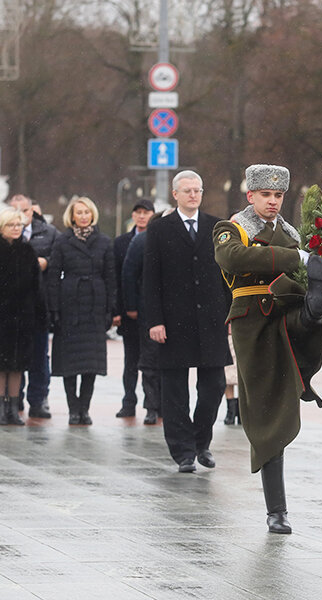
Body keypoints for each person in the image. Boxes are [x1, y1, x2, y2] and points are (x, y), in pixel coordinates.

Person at [213, 164, 322, 533]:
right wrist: (296, 258)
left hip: (287, 317)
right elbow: (234, 259)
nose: (273, 201)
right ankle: (276, 510)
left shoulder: (290, 234)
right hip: (252, 323)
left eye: (278, 195)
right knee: (264, 410)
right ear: (251, 195)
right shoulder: (232, 228)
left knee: (282, 402)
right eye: (265, 194)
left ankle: (278, 509)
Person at [142, 170, 231, 473]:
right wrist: (155, 320)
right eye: (187, 190)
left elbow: (227, 275)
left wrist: (229, 312)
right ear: (175, 195)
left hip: (211, 320)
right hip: (174, 321)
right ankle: (182, 451)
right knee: (175, 390)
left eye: (197, 190)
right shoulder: (159, 229)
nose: (193, 195)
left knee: (214, 386)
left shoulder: (216, 227)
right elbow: (151, 278)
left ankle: (201, 442)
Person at [46, 197, 115, 425]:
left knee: (90, 363)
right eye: (79, 212)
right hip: (70, 305)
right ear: (72, 216)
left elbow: (111, 277)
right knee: (70, 363)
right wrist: (54, 309)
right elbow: (53, 276)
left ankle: (84, 408)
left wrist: (110, 309)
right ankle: (73, 409)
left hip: (95, 305)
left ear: (92, 214)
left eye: (87, 212)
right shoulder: (62, 241)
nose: (83, 216)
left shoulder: (104, 242)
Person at [0, 209, 43, 425]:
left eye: (19, 225)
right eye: (11, 225)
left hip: (23, 319)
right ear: (1, 228)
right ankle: (0, 408)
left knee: (17, 366)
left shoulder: (27, 251)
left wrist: (40, 315)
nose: (16, 229)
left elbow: (37, 287)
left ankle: (13, 408)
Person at [8, 194, 57, 418]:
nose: (20, 215)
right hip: (11, 307)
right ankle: (10, 399)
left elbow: (61, 258)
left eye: (25, 210)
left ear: (32, 211)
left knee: (39, 356)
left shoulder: (49, 232)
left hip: (38, 305)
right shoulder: (0, 231)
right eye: (15, 210)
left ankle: (39, 400)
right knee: (11, 355)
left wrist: (47, 262)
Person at [113, 198, 156, 420]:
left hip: (150, 311)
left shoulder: (158, 239)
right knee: (131, 360)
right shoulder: (121, 242)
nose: (141, 216)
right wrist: (121, 309)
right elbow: (119, 277)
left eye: (146, 212)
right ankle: (129, 402)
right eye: (138, 212)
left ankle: (153, 404)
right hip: (130, 312)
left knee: (151, 359)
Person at [120, 227, 163, 425]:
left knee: (170, 362)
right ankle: (152, 406)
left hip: (175, 310)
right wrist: (131, 306)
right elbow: (129, 273)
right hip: (149, 308)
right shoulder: (143, 240)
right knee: (150, 359)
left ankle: (166, 405)